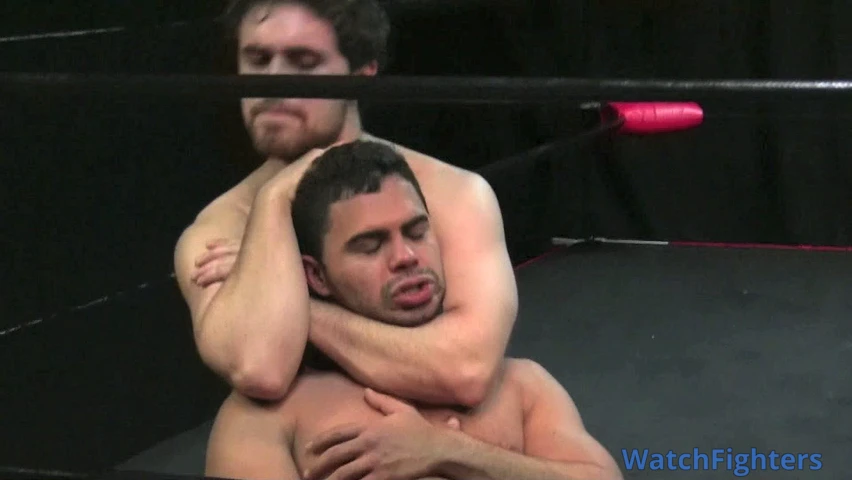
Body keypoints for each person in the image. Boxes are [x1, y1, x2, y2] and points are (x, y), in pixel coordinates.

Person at [205, 141, 623, 480]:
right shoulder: (267, 419)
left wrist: (450, 453)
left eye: (417, 232)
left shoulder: (523, 387)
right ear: (316, 277)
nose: (405, 257)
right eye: (370, 246)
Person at [173, 0, 518, 407]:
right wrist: (275, 198)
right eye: (258, 60)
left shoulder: (454, 195)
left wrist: (293, 301)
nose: (273, 83)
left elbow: (466, 370)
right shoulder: (220, 229)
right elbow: (259, 369)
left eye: (304, 62)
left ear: (360, 75)